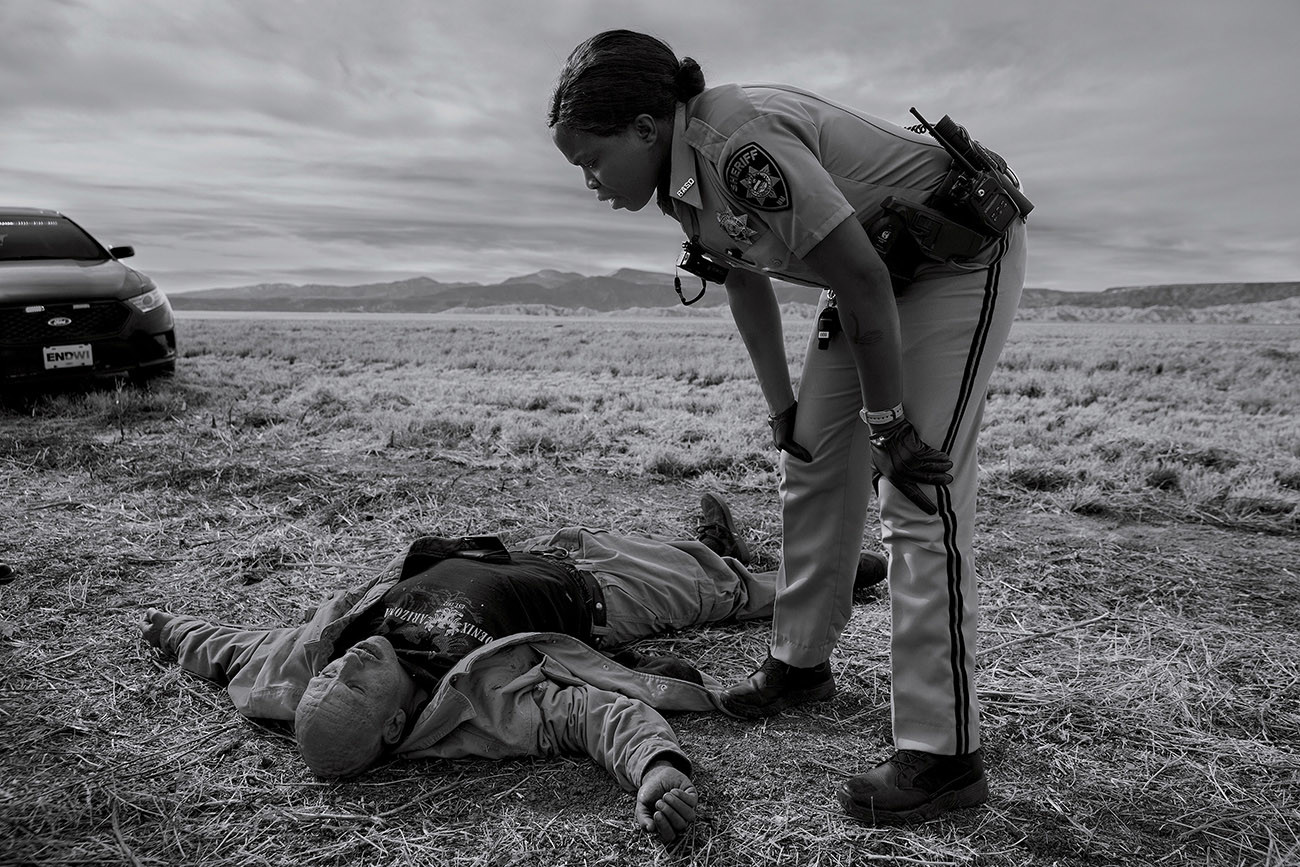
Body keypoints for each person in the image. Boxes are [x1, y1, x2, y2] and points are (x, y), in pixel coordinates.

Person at [548, 31, 1029, 825]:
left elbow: (862, 279)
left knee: (916, 489)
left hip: (953, 258)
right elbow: (744, 283)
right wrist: (785, 412)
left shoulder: (736, 143)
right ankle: (800, 665)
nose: (592, 181)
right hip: (877, 268)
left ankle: (945, 755)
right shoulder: (680, 177)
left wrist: (890, 425)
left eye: (591, 159)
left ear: (643, 125)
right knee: (808, 460)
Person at [139, 493, 887, 844]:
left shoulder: (315, 668)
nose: (349, 663)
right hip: (594, 597)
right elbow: (593, 717)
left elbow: (236, 648)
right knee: (716, 590)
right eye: (357, 684)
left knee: (661, 546)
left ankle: (713, 540)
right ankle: (817, 573)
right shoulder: (481, 705)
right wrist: (659, 770)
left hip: (524, 549)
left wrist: (172, 628)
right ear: (397, 722)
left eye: (333, 675)